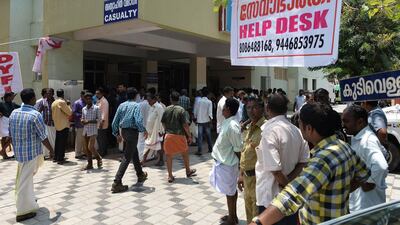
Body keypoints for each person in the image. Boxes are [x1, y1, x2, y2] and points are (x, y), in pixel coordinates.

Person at [250, 103, 370, 225]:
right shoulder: (343, 146)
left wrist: (258, 222)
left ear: (309, 128)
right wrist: (340, 191)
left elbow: (292, 196)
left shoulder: (323, 160)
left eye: (300, 124)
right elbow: (364, 173)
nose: (299, 127)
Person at [255, 94, 309, 225]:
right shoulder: (296, 130)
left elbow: (276, 171)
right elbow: (303, 162)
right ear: (286, 109)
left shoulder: (270, 132)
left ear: (267, 108)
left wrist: (286, 187)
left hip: (272, 200)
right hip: (291, 197)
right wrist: (290, 185)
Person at [9, 88, 54, 222]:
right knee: (24, 181)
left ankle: (28, 200)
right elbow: (43, 136)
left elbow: (11, 134)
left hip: (20, 153)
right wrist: (51, 150)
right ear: (33, 99)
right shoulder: (35, 115)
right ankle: (23, 211)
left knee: (25, 179)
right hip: (31, 153)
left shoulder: (14, 113)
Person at [342, 105, 388, 212]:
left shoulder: (367, 141)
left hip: (367, 206)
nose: (343, 125)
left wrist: (367, 181)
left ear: (360, 122)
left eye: (346, 121)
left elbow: (381, 166)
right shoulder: (358, 137)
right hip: (361, 205)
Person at [210, 98, 242, 225]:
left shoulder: (232, 126)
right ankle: (232, 215)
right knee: (230, 191)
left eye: (223, 107)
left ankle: (232, 219)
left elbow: (238, 149)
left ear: (228, 109)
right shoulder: (227, 122)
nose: (221, 110)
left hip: (228, 165)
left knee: (230, 192)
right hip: (223, 164)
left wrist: (241, 169)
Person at [111, 87, 148, 193]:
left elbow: (115, 121)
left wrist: (116, 133)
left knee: (133, 151)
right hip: (132, 132)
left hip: (124, 132)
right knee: (127, 157)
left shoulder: (121, 105)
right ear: (136, 96)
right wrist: (143, 130)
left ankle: (140, 174)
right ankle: (117, 182)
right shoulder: (136, 105)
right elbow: (138, 120)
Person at [237, 97, 267, 223]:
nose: (251, 110)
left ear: (262, 108)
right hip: (247, 179)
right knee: (249, 213)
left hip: (259, 180)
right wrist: (241, 175)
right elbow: (245, 153)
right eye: (248, 107)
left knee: (257, 216)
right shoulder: (249, 127)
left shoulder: (266, 128)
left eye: (254, 107)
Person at [162, 91, 197, 183]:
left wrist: (166, 130)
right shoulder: (181, 110)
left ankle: (170, 176)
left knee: (169, 155)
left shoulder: (166, 109)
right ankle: (188, 171)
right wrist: (189, 136)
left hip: (169, 135)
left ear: (170, 98)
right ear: (179, 99)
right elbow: (185, 125)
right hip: (179, 135)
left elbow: (163, 122)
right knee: (185, 153)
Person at [142, 92, 165, 166]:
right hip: (150, 131)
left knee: (156, 146)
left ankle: (160, 160)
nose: (148, 102)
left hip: (157, 131)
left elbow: (162, 119)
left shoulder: (159, 107)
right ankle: (143, 161)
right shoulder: (151, 107)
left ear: (154, 99)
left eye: (149, 100)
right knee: (149, 145)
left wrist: (160, 130)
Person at [81, 92, 103, 170]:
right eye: (86, 99)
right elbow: (82, 118)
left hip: (93, 130)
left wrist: (89, 121)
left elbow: (99, 119)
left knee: (90, 147)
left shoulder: (96, 108)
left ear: (92, 99)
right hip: (86, 130)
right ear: (85, 100)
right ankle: (90, 164)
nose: (88, 100)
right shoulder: (84, 109)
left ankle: (98, 158)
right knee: (86, 149)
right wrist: (82, 120)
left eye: (89, 98)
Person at [51, 89, 72, 164]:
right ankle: (60, 158)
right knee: (62, 143)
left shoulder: (54, 102)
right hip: (64, 125)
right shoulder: (62, 102)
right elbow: (69, 112)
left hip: (57, 124)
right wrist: (68, 104)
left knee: (58, 142)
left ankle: (56, 157)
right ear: (63, 94)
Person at [37, 88, 56, 159]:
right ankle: (46, 154)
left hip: (54, 124)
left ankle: (53, 153)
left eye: (50, 93)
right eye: (47, 93)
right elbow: (39, 111)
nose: (48, 95)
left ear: (53, 94)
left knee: (53, 139)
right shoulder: (43, 102)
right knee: (46, 138)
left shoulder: (55, 102)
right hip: (46, 123)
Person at [0, 92, 20, 159]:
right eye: (12, 96)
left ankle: (2, 151)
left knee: (12, 137)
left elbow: (21, 107)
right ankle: (4, 154)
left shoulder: (13, 104)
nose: (13, 97)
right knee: (4, 137)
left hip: (11, 121)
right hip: (3, 121)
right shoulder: (1, 103)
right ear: (8, 96)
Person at [194, 88, 213, 155]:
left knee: (200, 136)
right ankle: (210, 148)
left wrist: (195, 118)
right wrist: (211, 121)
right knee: (208, 135)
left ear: (201, 93)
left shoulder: (198, 101)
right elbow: (210, 113)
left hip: (200, 120)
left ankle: (199, 150)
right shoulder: (209, 102)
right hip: (207, 120)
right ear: (207, 94)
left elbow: (195, 111)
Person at [96, 87, 109, 157]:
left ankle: (102, 152)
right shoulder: (99, 101)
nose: (97, 95)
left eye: (98, 93)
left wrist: (101, 123)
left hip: (102, 123)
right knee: (100, 138)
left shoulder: (104, 101)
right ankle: (102, 151)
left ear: (102, 93)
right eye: (96, 94)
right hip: (98, 122)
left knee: (101, 139)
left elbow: (104, 113)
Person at [73, 90, 86, 159]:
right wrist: (82, 115)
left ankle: (83, 152)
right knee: (79, 139)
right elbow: (74, 113)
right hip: (79, 124)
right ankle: (78, 153)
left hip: (86, 124)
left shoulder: (86, 102)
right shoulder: (77, 103)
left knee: (84, 139)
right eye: (84, 96)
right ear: (81, 95)